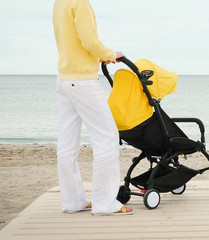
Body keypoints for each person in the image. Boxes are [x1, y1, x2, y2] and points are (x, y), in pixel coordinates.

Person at [52, 0, 133, 215]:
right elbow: (89, 40)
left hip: (64, 79)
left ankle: (73, 201)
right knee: (107, 137)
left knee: (67, 143)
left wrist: (98, 57)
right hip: (83, 82)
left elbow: (72, 42)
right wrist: (109, 54)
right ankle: (105, 203)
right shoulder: (80, 2)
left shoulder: (60, 2)